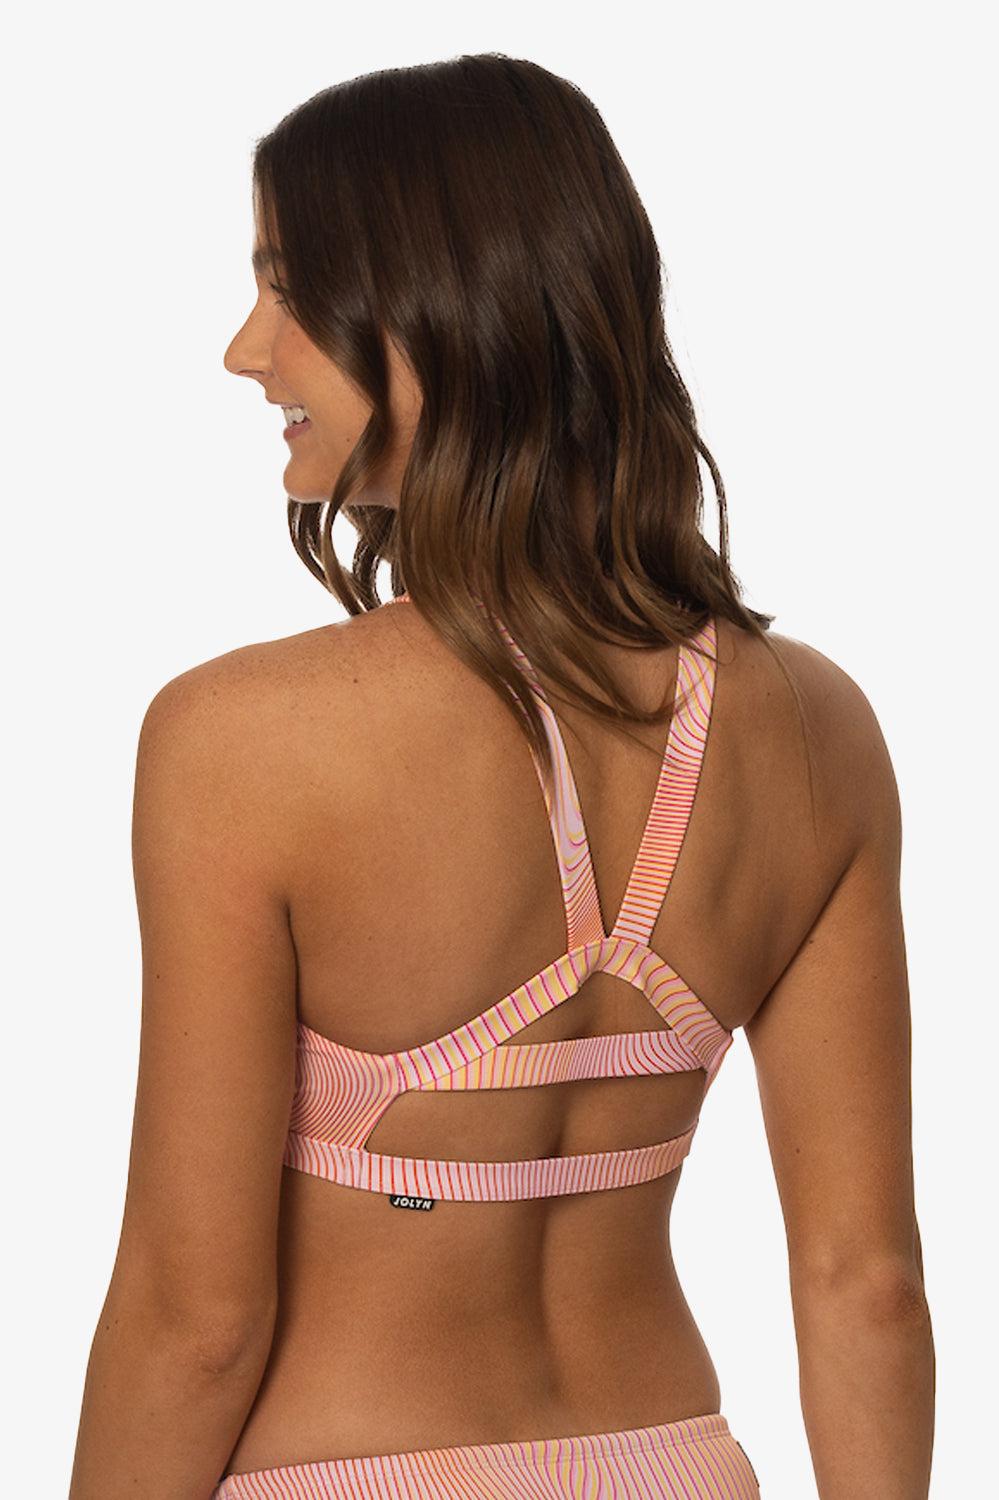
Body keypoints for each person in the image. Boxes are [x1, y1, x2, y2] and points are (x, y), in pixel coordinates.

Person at [68, 53, 934, 1500]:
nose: (245, 349)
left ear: (433, 311)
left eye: (289, 288)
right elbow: (868, 1283)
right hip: (674, 1463)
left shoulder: (239, 742)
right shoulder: (817, 730)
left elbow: (194, 1321)